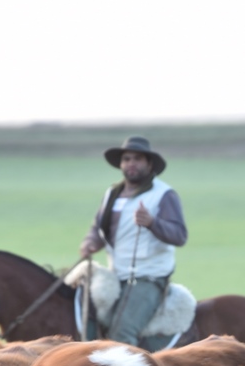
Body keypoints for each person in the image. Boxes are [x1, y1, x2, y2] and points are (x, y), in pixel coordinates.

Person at [78, 135, 187, 346]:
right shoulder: (112, 193)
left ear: (149, 164)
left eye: (137, 159)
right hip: (116, 274)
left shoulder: (164, 194)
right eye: (126, 159)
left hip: (149, 277)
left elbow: (179, 235)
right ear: (120, 164)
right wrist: (90, 242)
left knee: (122, 331)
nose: (131, 163)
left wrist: (152, 223)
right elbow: (98, 228)